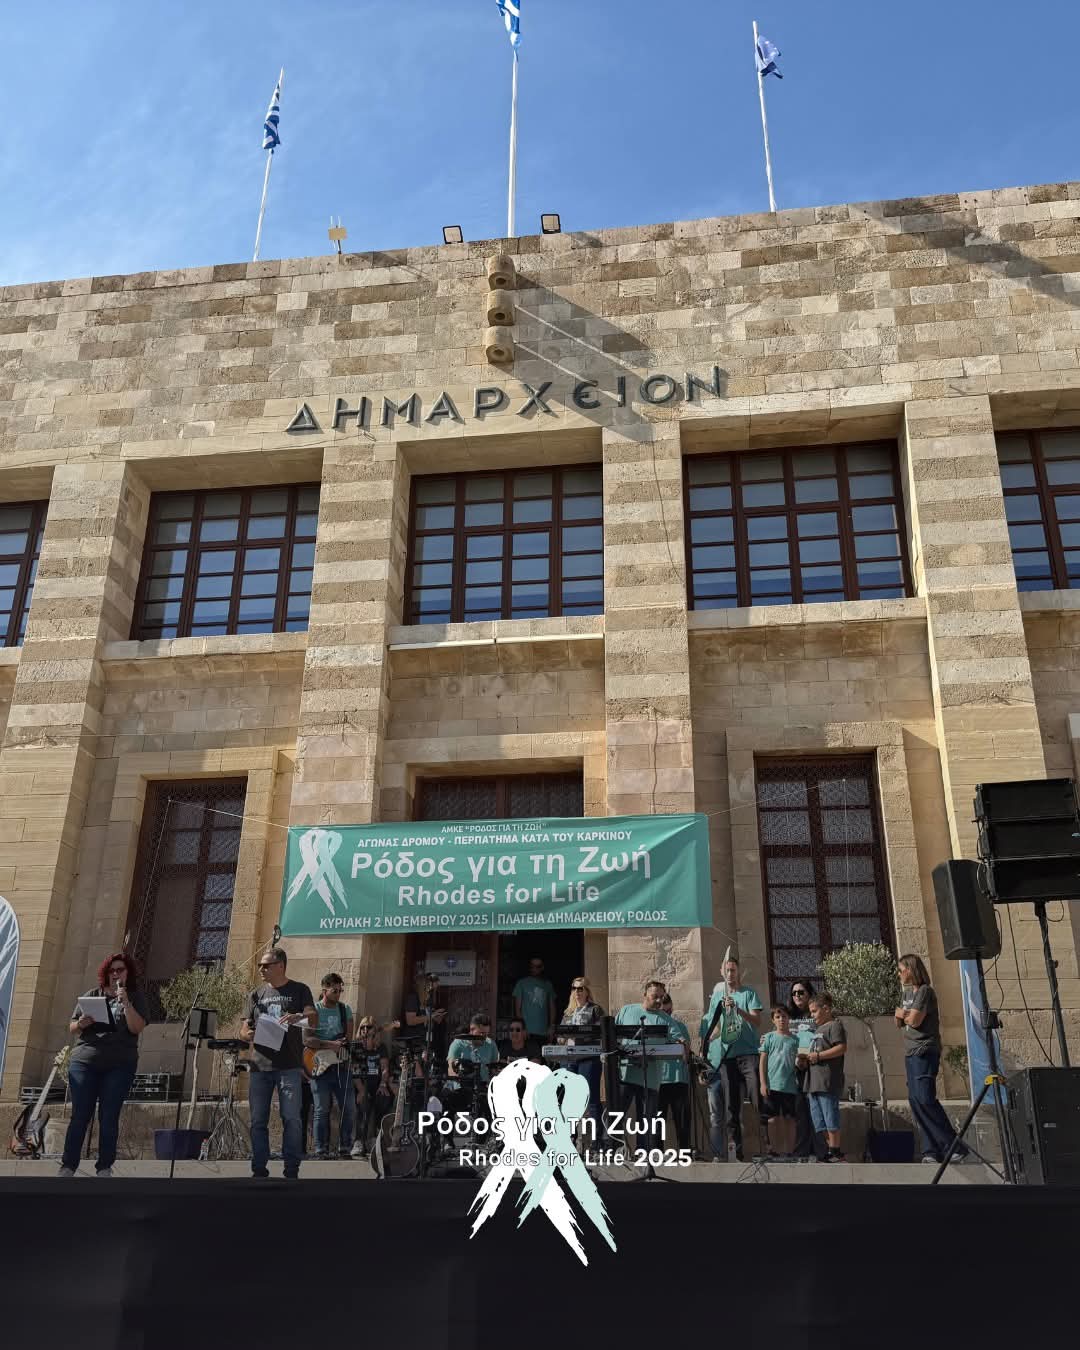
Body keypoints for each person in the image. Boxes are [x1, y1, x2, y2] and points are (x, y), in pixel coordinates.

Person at [59, 952, 149, 1177]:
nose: (116, 974)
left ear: (128, 973)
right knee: (80, 1115)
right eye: (112, 971)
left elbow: (137, 1028)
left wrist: (126, 1003)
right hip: (85, 1062)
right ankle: (68, 1166)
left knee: (109, 1116)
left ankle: (104, 1167)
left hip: (119, 1065)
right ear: (106, 974)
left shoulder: (135, 997)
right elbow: (72, 1027)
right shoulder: (93, 995)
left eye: (120, 970)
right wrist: (81, 1023)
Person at [239, 947, 316, 1179]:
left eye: (266, 965)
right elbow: (243, 1029)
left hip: (289, 1066)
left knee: (291, 1118)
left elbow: (313, 1018)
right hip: (259, 1066)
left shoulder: (299, 990)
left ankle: (291, 1168)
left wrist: (297, 1017)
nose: (261, 969)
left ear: (280, 965)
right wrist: (248, 1035)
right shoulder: (256, 995)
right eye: (260, 965)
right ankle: (258, 1168)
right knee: (258, 1120)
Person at [896, 953, 970, 1164]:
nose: (899, 974)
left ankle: (953, 1147)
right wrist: (904, 1015)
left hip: (924, 1050)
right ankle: (931, 1150)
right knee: (915, 1101)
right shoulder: (907, 994)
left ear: (911, 969)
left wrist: (904, 1014)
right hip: (910, 1052)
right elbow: (898, 1021)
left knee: (925, 1098)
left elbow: (915, 1021)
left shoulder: (925, 992)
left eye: (901, 970)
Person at [699, 956, 764, 1162]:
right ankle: (737, 1152)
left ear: (739, 972)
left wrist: (738, 1009)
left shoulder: (749, 993)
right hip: (727, 1057)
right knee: (731, 1108)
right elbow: (716, 1026)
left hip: (749, 1054)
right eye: (727, 970)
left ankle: (767, 1148)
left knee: (757, 1100)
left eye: (733, 970)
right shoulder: (718, 996)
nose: (730, 974)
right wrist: (706, 1046)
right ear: (721, 972)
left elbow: (757, 1021)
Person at [305, 973, 355, 1160]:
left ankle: (345, 1148)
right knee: (321, 1109)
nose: (338, 994)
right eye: (335, 990)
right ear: (324, 989)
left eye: (340, 990)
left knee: (348, 1108)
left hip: (341, 1065)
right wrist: (330, 1045)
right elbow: (307, 1040)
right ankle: (321, 1149)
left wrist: (343, 1044)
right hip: (318, 1065)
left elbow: (348, 1038)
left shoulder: (345, 1010)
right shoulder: (313, 1011)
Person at [616, 980, 671, 1132]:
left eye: (661, 997)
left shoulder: (666, 1019)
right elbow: (613, 1036)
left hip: (650, 1079)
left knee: (646, 1127)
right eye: (655, 997)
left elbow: (680, 1041)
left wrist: (682, 1044)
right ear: (645, 995)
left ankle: (644, 1148)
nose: (659, 1000)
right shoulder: (627, 1010)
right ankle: (611, 1146)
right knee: (615, 1118)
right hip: (625, 1076)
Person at [803, 992, 846, 1162]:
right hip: (813, 1082)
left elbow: (841, 1048)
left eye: (814, 1011)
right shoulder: (816, 1030)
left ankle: (836, 1151)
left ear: (826, 1009)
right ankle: (831, 1150)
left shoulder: (834, 1026)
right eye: (810, 1012)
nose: (812, 1015)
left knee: (830, 1117)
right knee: (819, 1122)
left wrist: (819, 1056)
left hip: (827, 1081)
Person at [560, 976, 605, 1127]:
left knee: (591, 1097)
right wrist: (562, 1037)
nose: (577, 992)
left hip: (589, 1057)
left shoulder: (595, 1009)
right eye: (574, 988)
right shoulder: (568, 1012)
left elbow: (601, 1033)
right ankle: (572, 1134)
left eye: (580, 988)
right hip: (569, 1058)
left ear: (587, 991)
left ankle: (597, 1136)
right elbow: (560, 1037)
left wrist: (580, 1034)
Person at [787, 979, 824, 1161]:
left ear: (809, 994)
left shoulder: (816, 1015)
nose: (797, 996)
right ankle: (802, 1151)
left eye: (801, 992)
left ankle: (820, 1151)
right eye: (794, 993)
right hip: (795, 1069)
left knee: (816, 1110)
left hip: (815, 1066)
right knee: (800, 1111)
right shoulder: (788, 1017)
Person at [759, 1005, 799, 1157]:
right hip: (772, 1086)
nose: (781, 1019)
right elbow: (762, 1061)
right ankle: (773, 1150)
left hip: (790, 1087)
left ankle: (790, 1151)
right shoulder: (768, 1037)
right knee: (772, 1119)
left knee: (790, 1119)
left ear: (789, 1019)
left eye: (784, 1016)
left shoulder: (796, 1039)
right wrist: (763, 1083)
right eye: (778, 1017)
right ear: (773, 1020)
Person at [351, 1017, 393, 1157]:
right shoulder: (357, 1047)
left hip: (377, 1083)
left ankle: (375, 1138)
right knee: (363, 1104)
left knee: (384, 1098)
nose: (365, 1030)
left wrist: (383, 1084)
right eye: (363, 1027)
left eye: (369, 1027)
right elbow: (355, 1070)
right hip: (362, 1084)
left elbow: (385, 1068)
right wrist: (361, 1090)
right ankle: (359, 1141)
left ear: (375, 1030)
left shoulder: (381, 1047)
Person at [657, 992, 691, 1150]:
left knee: (682, 1121)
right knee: (658, 1122)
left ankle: (684, 1153)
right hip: (658, 1080)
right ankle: (656, 1153)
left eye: (670, 1011)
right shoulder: (654, 1028)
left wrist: (682, 1047)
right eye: (664, 1012)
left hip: (679, 1079)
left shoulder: (680, 1026)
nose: (668, 1015)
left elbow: (687, 1054)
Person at [447, 1013, 499, 1114]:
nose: (484, 1037)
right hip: (461, 1087)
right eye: (481, 1033)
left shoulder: (491, 1044)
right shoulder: (458, 1043)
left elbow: (494, 1070)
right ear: (471, 1029)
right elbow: (451, 1069)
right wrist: (458, 1080)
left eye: (486, 1034)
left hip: (483, 1088)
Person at [403, 973, 448, 1067]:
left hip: (425, 1041)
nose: (431, 990)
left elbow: (427, 1017)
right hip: (415, 1042)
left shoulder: (426, 1000)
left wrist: (436, 1016)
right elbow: (410, 1020)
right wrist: (431, 1016)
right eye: (429, 987)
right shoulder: (413, 998)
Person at [513, 957, 556, 1043]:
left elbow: (552, 1008)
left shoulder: (548, 985)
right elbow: (517, 1009)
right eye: (532, 966)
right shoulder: (521, 983)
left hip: (544, 1033)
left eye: (538, 966)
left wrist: (551, 1027)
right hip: (526, 1033)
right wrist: (522, 1028)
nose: (534, 969)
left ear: (542, 967)